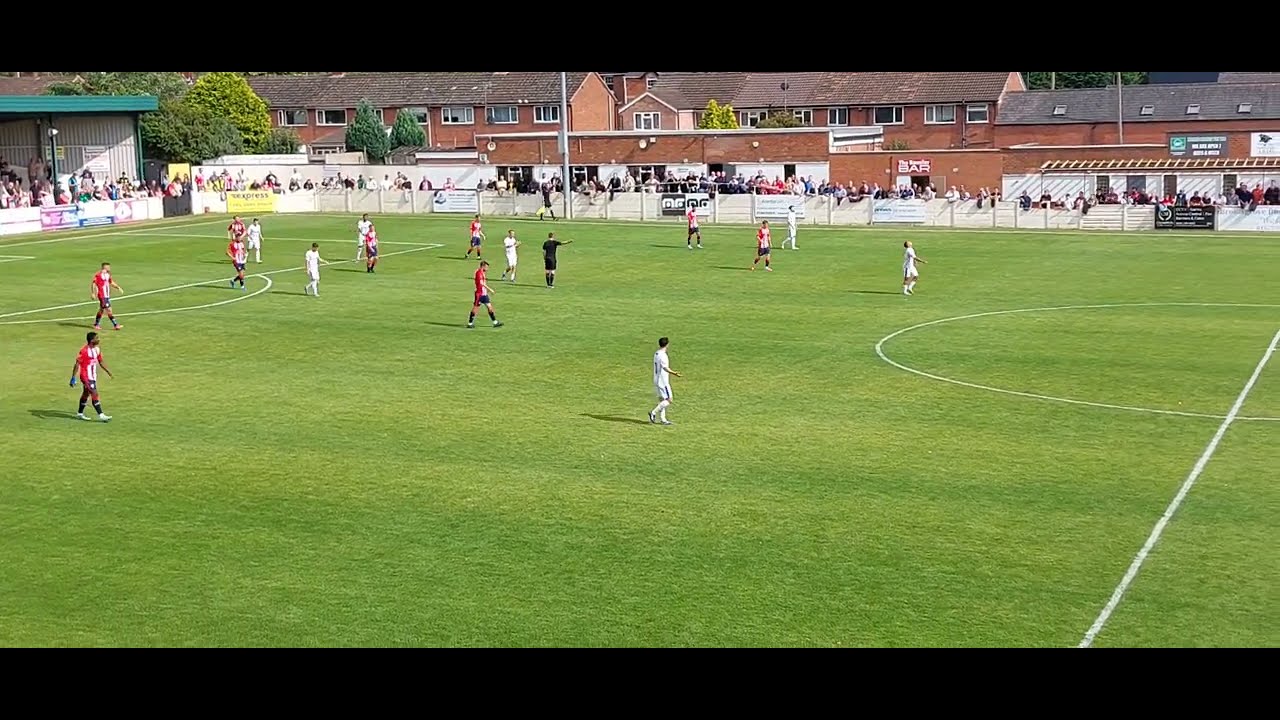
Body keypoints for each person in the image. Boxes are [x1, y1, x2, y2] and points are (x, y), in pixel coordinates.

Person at [70, 331, 113, 422]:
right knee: (94, 393)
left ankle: (80, 413)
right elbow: (77, 364)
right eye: (97, 338)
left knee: (86, 394)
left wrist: (108, 371)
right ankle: (101, 415)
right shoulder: (84, 351)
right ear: (91, 340)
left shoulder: (97, 349)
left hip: (93, 376)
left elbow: (100, 361)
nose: (99, 339)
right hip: (85, 376)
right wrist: (73, 377)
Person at [649, 336, 682, 426]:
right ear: (667, 344)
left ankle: (663, 419)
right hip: (663, 381)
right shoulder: (663, 356)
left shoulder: (656, 353)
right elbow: (665, 368)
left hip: (656, 379)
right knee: (669, 400)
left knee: (662, 400)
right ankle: (653, 412)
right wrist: (675, 373)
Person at [467, 260, 503, 328]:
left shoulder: (482, 273)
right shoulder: (479, 273)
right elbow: (481, 283)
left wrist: (486, 291)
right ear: (483, 266)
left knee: (490, 307)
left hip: (484, 294)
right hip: (479, 294)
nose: (487, 269)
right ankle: (470, 323)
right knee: (475, 308)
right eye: (486, 267)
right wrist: (490, 289)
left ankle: (495, 322)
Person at [90, 262, 123, 331]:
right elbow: (93, 283)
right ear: (104, 267)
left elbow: (111, 282)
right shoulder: (98, 275)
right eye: (108, 267)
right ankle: (116, 325)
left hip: (107, 296)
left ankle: (96, 324)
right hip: (102, 295)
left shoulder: (108, 275)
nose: (109, 268)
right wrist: (93, 293)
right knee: (109, 310)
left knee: (101, 310)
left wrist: (118, 287)